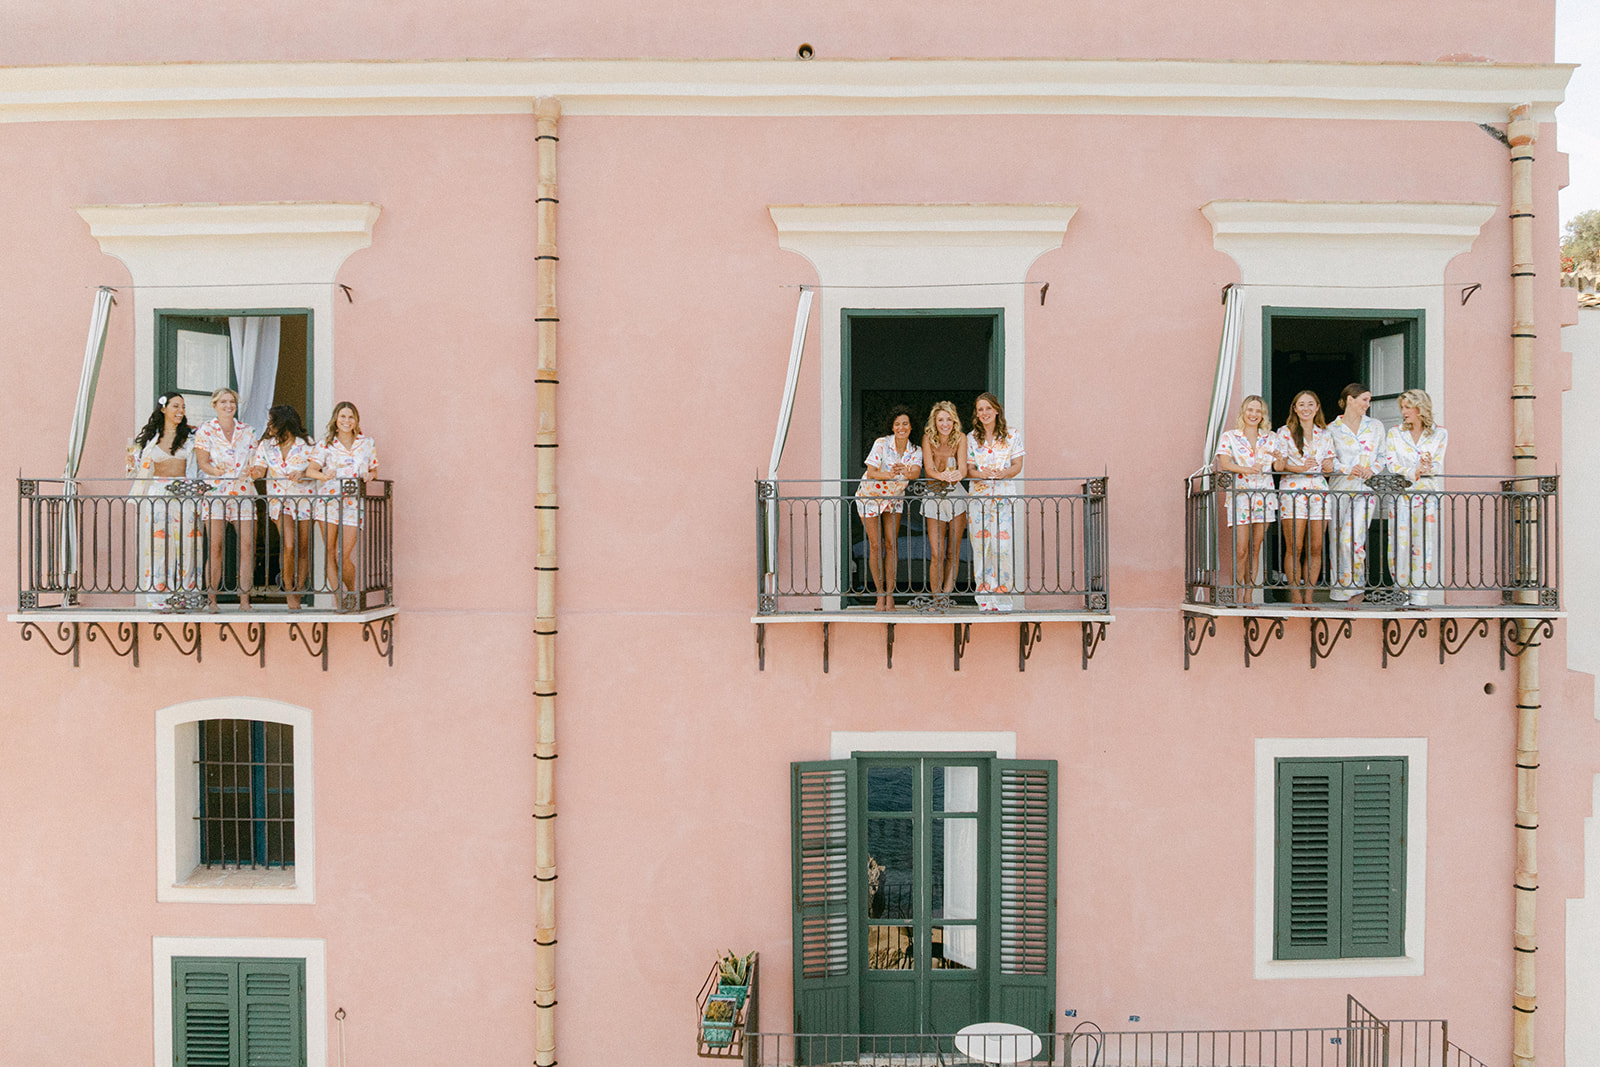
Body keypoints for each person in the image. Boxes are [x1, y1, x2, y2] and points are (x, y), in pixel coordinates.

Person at [129, 393, 201, 608]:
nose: (180, 411)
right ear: (164, 409)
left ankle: (188, 595)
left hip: (185, 494)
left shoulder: (191, 437)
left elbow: (198, 467)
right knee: (158, 546)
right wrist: (130, 463)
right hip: (158, 494)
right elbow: (136, 471)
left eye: (183, 407)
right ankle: (159, 598)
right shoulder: (151, 440)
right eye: (176, 406)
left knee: (189, 546)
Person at [306, 400, 380, 598]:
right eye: (343, 417)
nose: (346, 421)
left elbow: (373, 469)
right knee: (330, 551)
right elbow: (311, 470)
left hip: (354, 503)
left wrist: (369, 476)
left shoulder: (366, 443)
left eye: (350, 417)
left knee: (343, 554)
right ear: (336, 420)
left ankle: (351, 594)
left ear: (356, 420)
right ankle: (340, 600)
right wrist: (324, 476)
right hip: (328, 502)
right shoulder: (325, 444)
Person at [194, 387, 259, 609]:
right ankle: (211, 599)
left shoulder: (248, 431)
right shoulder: (206, 430)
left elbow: (255, 461)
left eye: (231, 402)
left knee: (247, 546)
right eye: (223, 402)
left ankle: (244, 599)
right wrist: (216, 471)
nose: (228, 405)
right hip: (216, 494)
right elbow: (203, 463)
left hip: (244, 493)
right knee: (216, 546)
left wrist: (251, 470)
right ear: (214, 405)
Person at [1383, 388, 1448, 606]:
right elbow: (1391, 463)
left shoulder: (1440, 434)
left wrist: (1428, 467)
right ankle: (1400, 592)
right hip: (1402, 493)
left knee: (1423, 543)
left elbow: (1438, 463)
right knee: (1399, 543)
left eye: (1407, 407)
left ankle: (1419, 595)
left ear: (1420, 409)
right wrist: (1413, 471)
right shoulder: (1395, 433)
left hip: (1426, 495)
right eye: (1402, 407)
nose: (1403, 411)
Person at [853, 406, 922, 611]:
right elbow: (872, 472)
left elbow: (916, 473)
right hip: (870, 496)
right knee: (875, 545)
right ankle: (879, 595)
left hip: (894, 498)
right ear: (892, 427)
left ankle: (890, 595)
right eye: (897, 423)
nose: (901, 427)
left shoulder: (915, 450)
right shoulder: (882, 443)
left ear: (911, 427)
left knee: (892, 544)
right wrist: (891, 474)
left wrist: (906, 471)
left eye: (905, 424)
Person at [249, 406, 316, 609]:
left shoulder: (307, 444)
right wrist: (256, 472)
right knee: (289, 544)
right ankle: (289, 593)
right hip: (279, 501)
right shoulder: (266, 446)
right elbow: (260, 467)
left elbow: (316, 467)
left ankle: (300, 587)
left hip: (304, 499)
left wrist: (303, 472)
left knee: (303, 546)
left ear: (284, 422)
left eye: (272, 421)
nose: (268, 425)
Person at [1213, 395, 1278, 600]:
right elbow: (1225, 464)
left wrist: (1281, 458)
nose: (1254, 414)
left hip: (1264, 496)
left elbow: (1278, 466)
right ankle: (1237, 591)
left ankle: (1248, 595)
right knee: (1241, 549)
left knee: (1255, 548)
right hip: (1240, 496)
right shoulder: (1230, 437)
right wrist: (1247, 469)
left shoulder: (1270, 438)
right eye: (1250, 410)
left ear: (1262, 415)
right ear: (1243, 412)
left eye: (1258, 411)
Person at [1274, 390, 1335, 605]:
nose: (1306, 408)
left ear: (1317, 407)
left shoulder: (1325, 434)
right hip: (1293, 492)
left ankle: (1309, 596)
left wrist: (1329, 466)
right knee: (1295, 546)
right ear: (1295, 408)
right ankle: (1295, 594)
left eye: (1311, 404)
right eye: (1302, 404)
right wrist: (1299, 468)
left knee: (1316, 546)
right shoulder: (1284, 432)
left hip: (1319, 492)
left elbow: (1329, 465)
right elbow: (1278, 464)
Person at [1326, 383, 1385, 603]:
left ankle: (1357, 588)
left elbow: (1382, 456)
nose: (1367, 405)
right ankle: (1340, 591)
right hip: (1339, 490)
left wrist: (1372, 469)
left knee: (1352, 539)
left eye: (1368, 400)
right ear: (1350, 399)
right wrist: (1346, 468)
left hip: (1365, 490)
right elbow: (1327, 461)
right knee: (1337, 540)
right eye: (1364, 400)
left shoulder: (1376, 426)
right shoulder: (1331, 429)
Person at [965, 392, 1024, 612]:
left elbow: (1017, 465)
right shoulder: (971, 438)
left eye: (988, 408)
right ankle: (984, 598)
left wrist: (1003, 474)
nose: (984, 413)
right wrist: (982, 474)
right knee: (981, 548)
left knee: (1002, 547)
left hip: (1003, 498)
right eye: (980, 410)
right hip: (979, 500)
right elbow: (969, 470)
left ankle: (1002, 597)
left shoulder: (1012, 435)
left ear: (996, 410)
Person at [920, 401, 969, 597]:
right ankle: (936, 597)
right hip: (933, 495)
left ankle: (946, 597)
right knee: (936, 553)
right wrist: (942, 476)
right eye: (941, 419)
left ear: (954, 421)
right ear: (935, 421)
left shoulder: (961, 438)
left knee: (952, 552)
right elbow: (929, 469)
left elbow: (963, 469)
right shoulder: (928, 439)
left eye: (949, 419)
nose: (945, 423)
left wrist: (955, 476)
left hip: (956, 496)